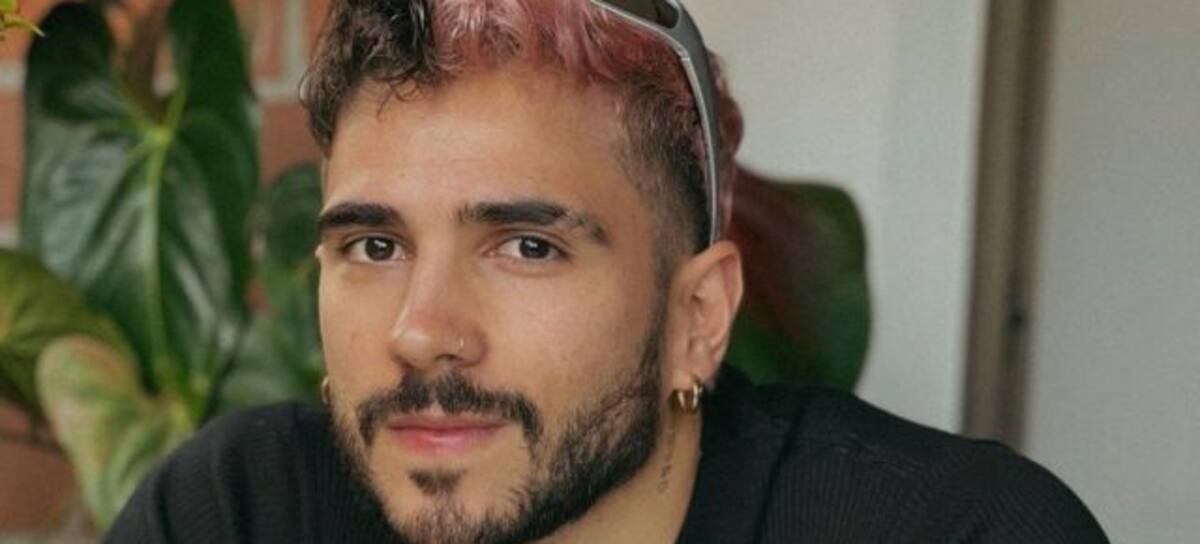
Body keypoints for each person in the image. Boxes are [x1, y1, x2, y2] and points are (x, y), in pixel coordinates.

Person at [107, 0, 1108, 542]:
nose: (419, 329)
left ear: (697, 317)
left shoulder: (959, 532)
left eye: (527, 246)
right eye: (374, 246)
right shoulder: (236, 514)